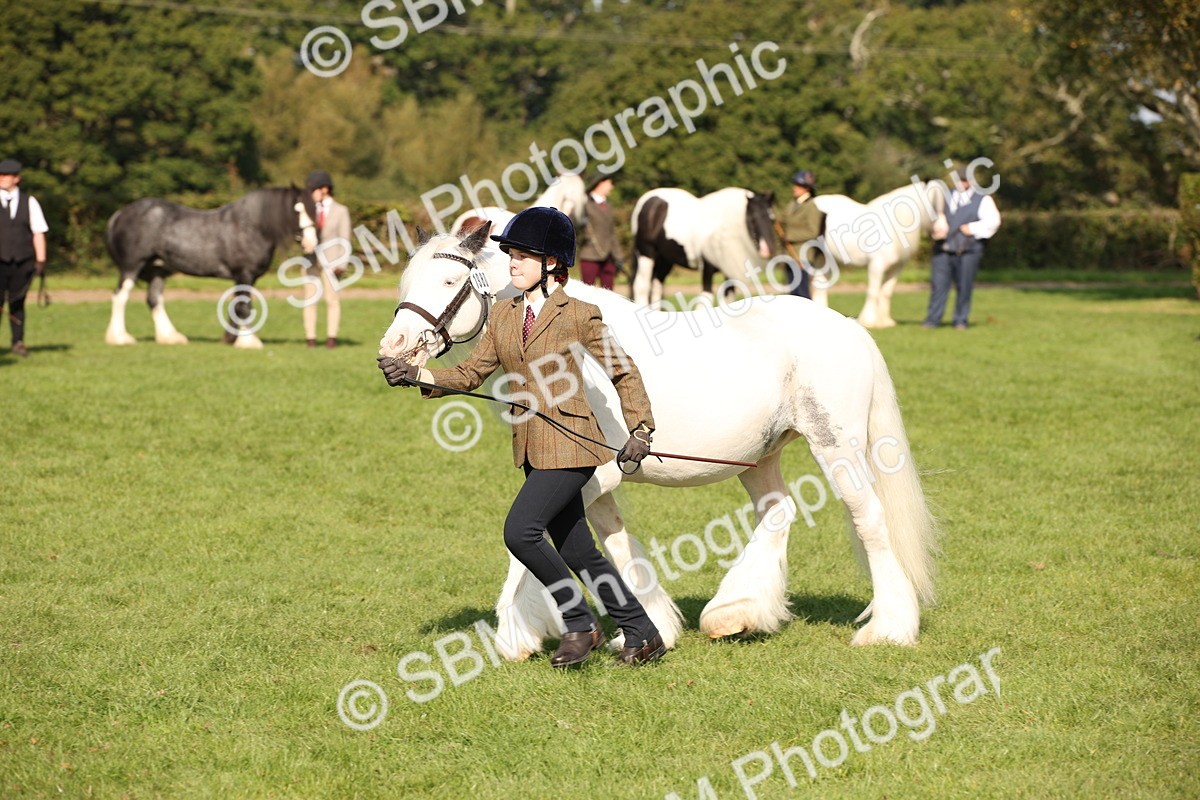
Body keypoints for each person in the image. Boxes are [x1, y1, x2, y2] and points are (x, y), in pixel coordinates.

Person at [378, 207, 666, 667]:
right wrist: (417, 373)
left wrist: (641, 429)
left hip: (573, 443)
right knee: (578, 549)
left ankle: (578, 623)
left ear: (552, 262)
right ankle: (641, 631)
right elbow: (472, 372)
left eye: (524, 255)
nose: (512, 262)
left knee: (521, 532)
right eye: (511, 253)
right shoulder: (506, 315)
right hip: (531, 445)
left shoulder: (581, 314)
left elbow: (622, 370)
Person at [923, 162, 1001, 330]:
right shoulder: (944, 197)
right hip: (943, 249)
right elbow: (931, 218)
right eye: (959, 180)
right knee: (938, 286)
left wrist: (972, 228)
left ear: (971, 181)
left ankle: (960, 320)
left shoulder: (983, 199)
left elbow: (993, 221)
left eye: (965, 180)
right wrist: (935, 230)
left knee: (964, 286)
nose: (962, 183)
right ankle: (932, 319)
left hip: (968, 251)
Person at [0, 159, 48, 358]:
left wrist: (41, 261)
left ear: (17, 178)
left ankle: (18, 342)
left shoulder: (30, 202)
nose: (2, 178)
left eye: (6, 175)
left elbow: (38, 232)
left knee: (18, 303)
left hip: (22, 261)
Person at [304, 169, 353, 348]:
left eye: (313, 189)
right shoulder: (307, 210)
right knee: (310, 299)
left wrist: (342, 264)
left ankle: (331, 337)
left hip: (332, 263)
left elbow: (345, 238)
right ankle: (310, 338)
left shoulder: (341, 211)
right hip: (310, 261)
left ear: (324, 189)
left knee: (332, 300)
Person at [778, 169, 824, 299]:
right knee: (792, 294)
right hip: (789, 254)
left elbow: (812, 231)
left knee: (802, 293)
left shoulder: (811, 206)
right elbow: (782, 219)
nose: (794, 188)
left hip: (802, 256)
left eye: (798, 185)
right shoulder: (792, 204)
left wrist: (790, 236)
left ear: (806, 188)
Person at [577, 172, 621, 291]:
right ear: (600, 184)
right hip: (590, 254)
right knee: (587, 294)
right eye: (609, 183)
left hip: (609, 256)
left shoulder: (608, 206)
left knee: (608, 294)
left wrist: (618, 256)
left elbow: (612, 233)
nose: (611, 187)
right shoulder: (584, 203)